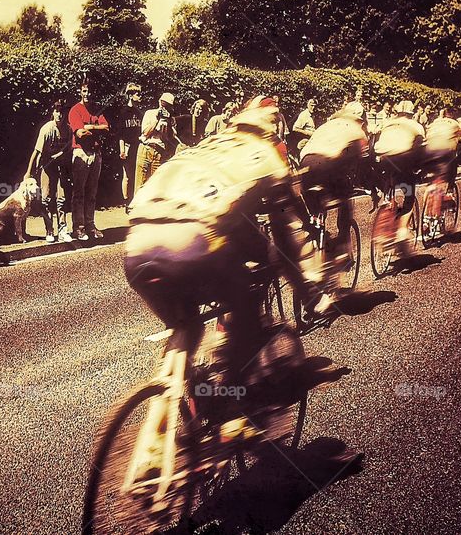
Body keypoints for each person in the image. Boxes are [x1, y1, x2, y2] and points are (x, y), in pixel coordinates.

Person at [125, 95, 332, 394]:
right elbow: (284, 237)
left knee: (188, 324)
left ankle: (172, 397)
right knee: (245, 307)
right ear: (272, 131)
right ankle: (232, 408)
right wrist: (308, 293)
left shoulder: (207, 146)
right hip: (189, 240)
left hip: (137, 242)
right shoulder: (265, 153)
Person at [299, 102, 372, 288]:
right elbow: (365, 167)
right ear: (361, 120)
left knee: (315, 211)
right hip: (328, 163)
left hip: (305, 162)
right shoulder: (358, 131)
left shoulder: (326, 124)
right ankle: (341, 250)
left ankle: (318, 244)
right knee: (345, 199)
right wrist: (374, 188)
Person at [373, 100, 425, 249]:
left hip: (383, 159)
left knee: (390, 178)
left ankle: (387, 200)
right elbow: (422, 149)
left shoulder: (388, 122)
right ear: (411, 113)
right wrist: (420, 168)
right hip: (402, 160)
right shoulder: (416, 125)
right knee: (408, 193)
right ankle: (402, 230)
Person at [25, 100, 72, 243]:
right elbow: (36, 152)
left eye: (62, 112)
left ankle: (63, 229)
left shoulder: (68, 129)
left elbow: (68, 148)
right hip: (47, 165)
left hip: (61, 166)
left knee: (62, 198)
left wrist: (61, 156)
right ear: (53, 112)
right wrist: (28, 172)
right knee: (46, 198)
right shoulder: (46, 129)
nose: (60, 115)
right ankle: (49, 229)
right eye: (57, 111)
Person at [68, 82, 109, 240]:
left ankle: (90, 225)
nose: (87, 94)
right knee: (79, 192)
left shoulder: (96, 109)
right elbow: (80, 133)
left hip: (96, 153)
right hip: (81, 153)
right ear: (80, 91)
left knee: (92, 193)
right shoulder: (75, 110)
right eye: (85, 91)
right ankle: (78, 228)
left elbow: (106, 128)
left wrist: (89, 126)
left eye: (90, 91)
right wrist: (94, 127)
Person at [134, 92, 179, 194]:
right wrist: (157, 119)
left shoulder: (171, 120)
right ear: (159, 102)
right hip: (146, 148)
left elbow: (168, 139)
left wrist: (167, 121)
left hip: (160, 152)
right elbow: (145, 133)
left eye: (167, 105)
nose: (164, 107)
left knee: (155, 185)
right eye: (163, 103)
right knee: (140, 183)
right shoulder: (149, 113)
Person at [423, 108, 461, 219]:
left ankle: (426, 212)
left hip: (428, 151)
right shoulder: (455, 123)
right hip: (445, 152)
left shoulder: (434, 123)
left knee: (431, 182)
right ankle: (449, 190)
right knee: (451, 168)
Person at [114, 82, 144, 211]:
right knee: (127, 175)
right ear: (131, 95)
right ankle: (126, 201)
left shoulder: (140, 112)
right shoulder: (123, 112)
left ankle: (135, 199)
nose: (140, 96)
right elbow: (120, 133)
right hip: (127, 146)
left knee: (137, 174)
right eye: (137, 94)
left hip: (139, 146)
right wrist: (122, 150)